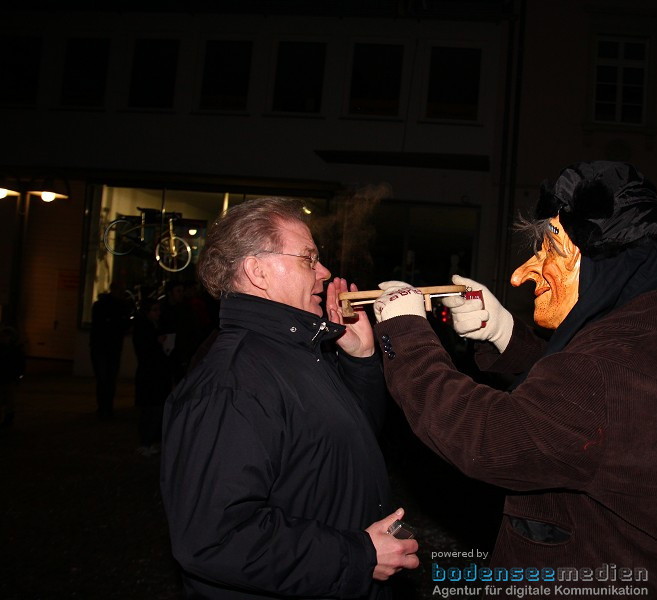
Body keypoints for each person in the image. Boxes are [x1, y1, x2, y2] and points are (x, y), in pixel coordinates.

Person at [372, 161, 657, 598]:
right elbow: (585, 413)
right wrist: (504, 334)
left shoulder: (604, 370)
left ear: (603, 260)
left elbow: (489, 439)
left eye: (551, 250)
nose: (522, 274)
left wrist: (405, 338)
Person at [159, 197, 418, 599]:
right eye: (308, 259)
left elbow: (352, 442)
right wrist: (358, 555)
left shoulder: (299, 352)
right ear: (257, 271)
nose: (324, 271)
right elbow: (212, 539)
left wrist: (361, 358)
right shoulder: (232, 383)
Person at [132, 298, 171, 456]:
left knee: (157, 410)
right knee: (150, 410)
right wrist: (157, 343)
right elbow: (144, 351)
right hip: (149, 375)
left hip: (158, 374)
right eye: (154, 310)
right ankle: (146, 441)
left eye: (158, 310)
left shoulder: (156, 326)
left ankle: (153, 440)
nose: (158, 313)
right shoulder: (143, 328)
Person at [89, 281, 133, 419]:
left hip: (105, 346)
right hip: (107, 346)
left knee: (105, 378)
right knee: (107, 378)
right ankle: (105, 407)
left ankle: (105, 407)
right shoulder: (116, 306)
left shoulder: (105, 305)